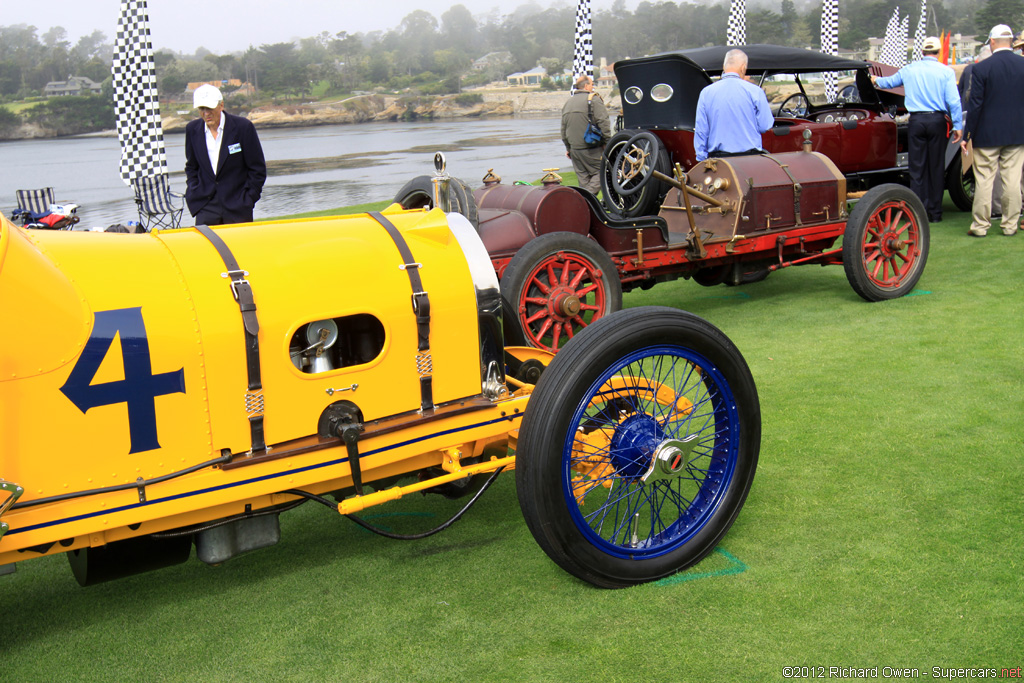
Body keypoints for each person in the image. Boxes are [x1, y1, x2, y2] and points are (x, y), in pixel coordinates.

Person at [872, 37, 962, 224]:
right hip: (937, 120)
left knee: (917, 168)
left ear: (921, 52)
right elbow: (954, 101)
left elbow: (888, 83)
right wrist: (958, 125)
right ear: (938, 52)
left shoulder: (909, 69)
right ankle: (935, 213)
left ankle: (917, 212)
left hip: (916, 120)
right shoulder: (946, 72)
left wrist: (874, 79)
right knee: (936, 167)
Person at [961, 24, 1024, 237]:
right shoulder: (1022, 65)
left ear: (993, 42)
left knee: (984, 180)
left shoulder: (981, 68)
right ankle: (1010, 225)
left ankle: (980, 226)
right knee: (1012, 180)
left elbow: (975, 105)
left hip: (987, 134)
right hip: (1016, 133)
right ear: (1011, 42)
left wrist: (968, 134)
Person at [184, 84, 266, 225]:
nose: (206, 113)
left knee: (239, 247)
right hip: (205, 205)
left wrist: (248, 198)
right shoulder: (192, 130)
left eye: (209, 108)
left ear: (221, 105)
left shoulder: (243, 127)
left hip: (238, 206)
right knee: (207, 247)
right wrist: (194, 190)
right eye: (201, 109)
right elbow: (192, 167)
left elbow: (257, 168)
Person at [693, 49, 774, 162]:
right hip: (750, 158)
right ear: (743, 67)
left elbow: (701, 130)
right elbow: (765, 125)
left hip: (719, 160)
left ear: (723, 67)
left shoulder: (706, 93)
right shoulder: (755, 91)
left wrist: (701, 158)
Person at [561, 75, 611, 195]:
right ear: (586, 86)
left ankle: (585, 206)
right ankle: (585, 199)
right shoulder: (593, 100)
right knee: (602, 171)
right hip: (592, 147)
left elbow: (563, 129)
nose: (593, 87)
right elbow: (603, 122)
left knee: (583, 179)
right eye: (592, 84)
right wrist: (609, 144)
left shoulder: (568, 102)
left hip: (575, 149)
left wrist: (568, 148)